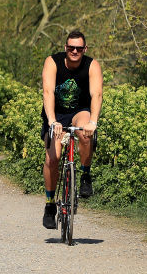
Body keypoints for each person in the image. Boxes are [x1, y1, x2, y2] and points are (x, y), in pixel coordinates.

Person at [41, 30, 103, 229]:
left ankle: (85, 174)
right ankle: (50, 205)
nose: (74, 51)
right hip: (56, 115)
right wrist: (52, 121)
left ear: (85, 49)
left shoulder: (91, 65)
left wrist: (93, 121)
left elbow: (97, 94)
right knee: (53, 158)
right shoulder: (53, 62)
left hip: (80, 112)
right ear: (65, 48)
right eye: (70, 48)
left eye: (78, 48)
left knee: (85, 132)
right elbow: (48, 91)